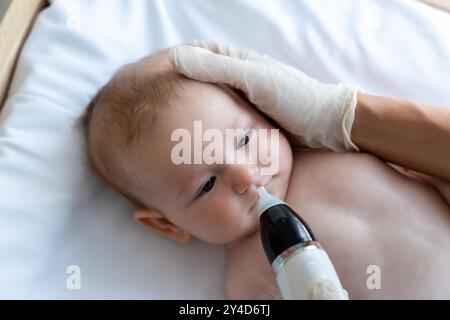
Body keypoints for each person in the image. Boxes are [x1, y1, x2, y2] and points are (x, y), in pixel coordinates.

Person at [80, 48, 450, 300]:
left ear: (266, 113)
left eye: (244, 137)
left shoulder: (336, 151)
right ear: (167, 224)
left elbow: (428, 173)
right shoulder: (247, 278)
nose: (246, 174)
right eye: (207, 184)